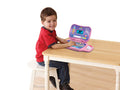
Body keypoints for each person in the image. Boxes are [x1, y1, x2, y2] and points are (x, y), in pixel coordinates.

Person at [35, 7, 75, 90]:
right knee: (63, 64)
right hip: (43, 59)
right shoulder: (45, 32)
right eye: (49, 21)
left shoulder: (50, 29)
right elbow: (54, 46)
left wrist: (63, 40)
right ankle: (64, 85)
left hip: (48, 56)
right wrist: (68, 45)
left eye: (54, 20)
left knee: (63, 61)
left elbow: (55, 37)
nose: (52, 23)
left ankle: (55, 79)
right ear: (43, 22)